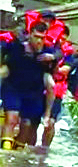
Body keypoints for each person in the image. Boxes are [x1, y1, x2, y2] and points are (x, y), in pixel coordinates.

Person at [0, 21, 57, 150]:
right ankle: (4, 156)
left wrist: (47, 114)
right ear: (30, 34)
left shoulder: (47, 53)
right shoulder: (17, 48)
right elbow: (5, 67)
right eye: (36, 36)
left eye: (42, 38)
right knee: (12, 118)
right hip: (13, 88)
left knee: (26, 124)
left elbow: (51, 84)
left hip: (33, 93)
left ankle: (16, 155)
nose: (39, 41)